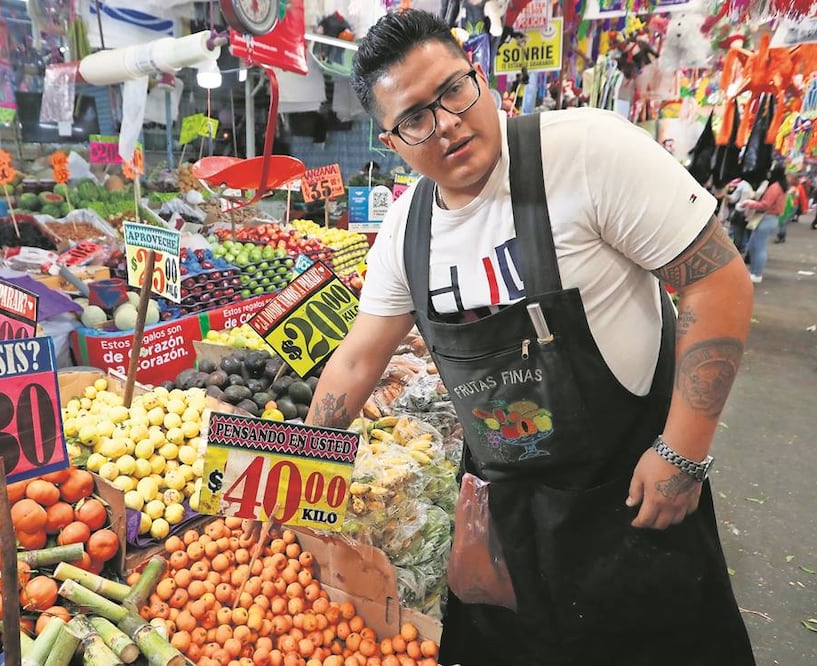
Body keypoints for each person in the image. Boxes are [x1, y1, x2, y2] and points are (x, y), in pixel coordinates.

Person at [307, 10, 755, 665]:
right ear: (389, 141)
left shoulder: (586, 153)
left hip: (629, 497)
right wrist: (289, 467)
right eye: (414, 118)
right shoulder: (406, 233)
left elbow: (717, 282)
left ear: (479, 77)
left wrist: (683, 453)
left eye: (453, 91)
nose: (447, 123)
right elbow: (356, 359)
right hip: (507, 521)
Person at [740, 163, 788, 282]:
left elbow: (766, 204)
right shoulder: (781, 186)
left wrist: (749, 203)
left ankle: (757, 274)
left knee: (759, 247)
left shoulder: (774, 187)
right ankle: (754, 272)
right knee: (754, 245)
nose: (768, 173)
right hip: (770, 218)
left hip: (767, 218)